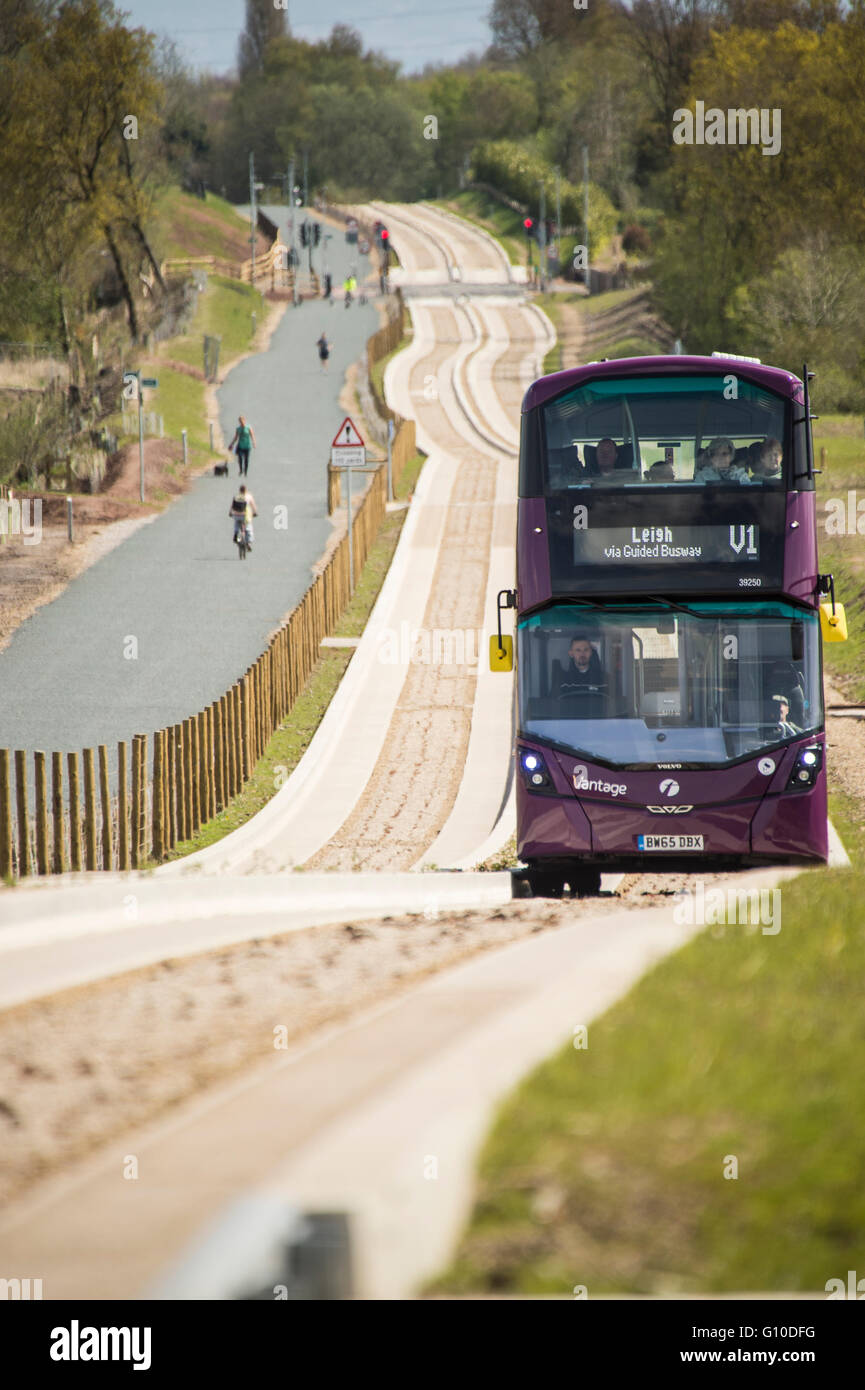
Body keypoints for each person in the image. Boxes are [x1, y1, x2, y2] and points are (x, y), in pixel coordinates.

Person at [229, 483, 257, 549]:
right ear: (245, 490)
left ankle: (236, 534)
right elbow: (253, 506)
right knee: (248, 528)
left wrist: (230, 513)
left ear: (239, 490)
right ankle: (248, 542)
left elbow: (232, 506)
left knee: (237, 524)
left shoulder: (236, 496)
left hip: (236, 514)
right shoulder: (248, 496)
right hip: (245, 515)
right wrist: (255, 513)